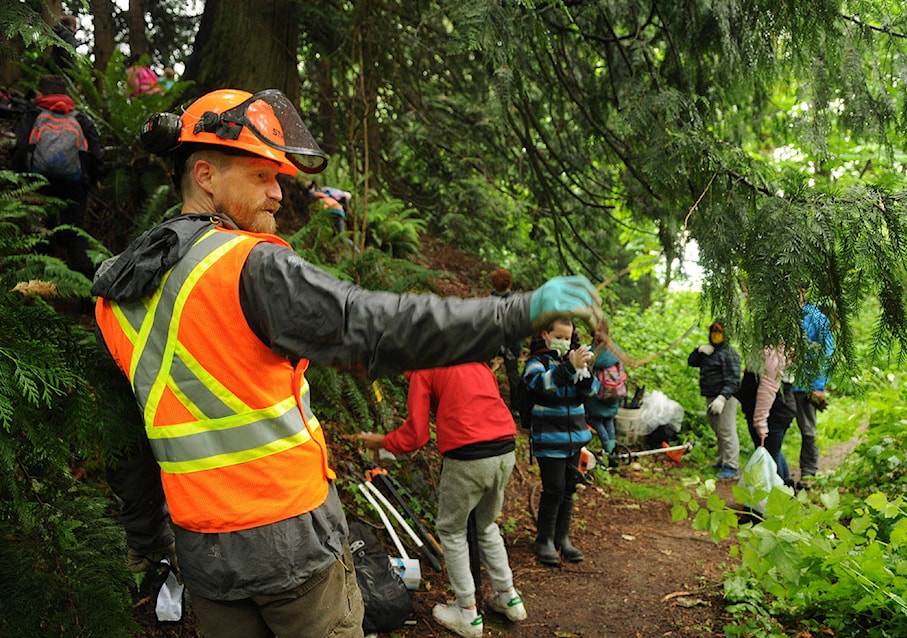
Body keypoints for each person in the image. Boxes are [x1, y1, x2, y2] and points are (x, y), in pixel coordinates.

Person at [91, 87, 602, 638]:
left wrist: (150, 541)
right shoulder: (248, 266)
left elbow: (126, 447)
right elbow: (377, 327)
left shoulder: (117, 296)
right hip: (291, 546)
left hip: (205, 557)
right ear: (207, 173)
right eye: (262, 174)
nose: (278, 193)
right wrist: (517, 313)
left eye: (280, 177)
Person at [357, 363, 527, 638]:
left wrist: (383, 442)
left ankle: (468, 613)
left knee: (452, 530)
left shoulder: (424, 366)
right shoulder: (473, 358)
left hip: (468, 457)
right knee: (486, 526)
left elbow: (416, 435)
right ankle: (508, 596)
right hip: (505, 451)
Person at [523, 317, 598, 566]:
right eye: (559, 336)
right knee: (553, 488)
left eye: (568, 338)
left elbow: (591, 392)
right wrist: (567, 368)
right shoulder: (537, 362)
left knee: (569, 488)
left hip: (575, 437)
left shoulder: (573, 361)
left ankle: (562, 538)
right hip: (549, 437)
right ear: (546, 335)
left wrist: (584, 372)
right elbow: (540, 385)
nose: (564, 342)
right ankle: (544, 540)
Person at [14, 73, 103, 280]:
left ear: (41, 92)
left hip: (38, 182)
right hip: (74, 183)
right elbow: (95, 153)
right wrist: (93, 178)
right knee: (75, 232)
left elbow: (21, 149)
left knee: (40, 229)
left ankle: (42, 284)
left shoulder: (33, 115)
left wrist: (23, 180)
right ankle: (84, 288)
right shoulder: (80, 119)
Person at [792, 285, 835, 489]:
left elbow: (826, 352)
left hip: (805, 386)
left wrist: (818, 386)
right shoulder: (779, 316)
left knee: (808, 431)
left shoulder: (817, 318)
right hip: (781, 385)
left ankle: (808, 474)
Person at [687, 320, 742, 479]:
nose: (715, 336)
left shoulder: (730, 354)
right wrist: (698, 351)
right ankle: (721, 460)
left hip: (725, 398)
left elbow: (733, 380)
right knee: (717, 429)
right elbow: (692, 362)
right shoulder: (708, 351)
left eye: (718, 333)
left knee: (726, 430)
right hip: (710, 395)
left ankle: (732, 466)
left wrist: (722, 398)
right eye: (713, 333)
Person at [736, 346, 796, 488]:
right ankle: (787, 488)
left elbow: (769, 385)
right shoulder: (769, 341)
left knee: (770, 458)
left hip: (772, 412)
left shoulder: (773, 345)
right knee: (773, 451)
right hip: (772, 409)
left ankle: (776, 501)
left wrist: (760, 421)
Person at [583, 319, 621, 462]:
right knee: (609, 420)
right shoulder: (614, 349)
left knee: (597, 421)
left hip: (599, 393)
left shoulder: (593, 351)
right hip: (615, 392)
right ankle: (612, 453)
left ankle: (609, 451)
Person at [490, 268, 523, 417]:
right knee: (513, 375)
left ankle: (515, 406)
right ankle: (515, 406)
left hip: (505, 343)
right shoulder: (515, 301)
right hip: (500, 343)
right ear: (509, 284)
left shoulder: (490, 302)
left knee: (513, 376)